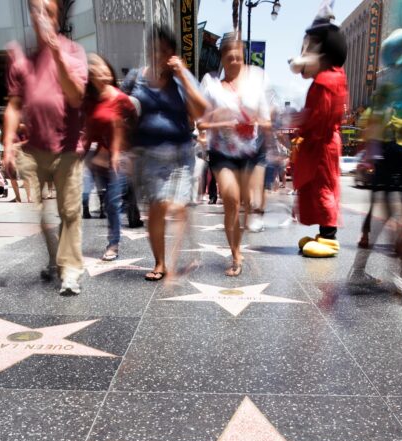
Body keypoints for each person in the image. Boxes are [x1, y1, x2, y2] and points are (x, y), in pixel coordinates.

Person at [2, 0, 87, 295]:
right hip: (35, 148)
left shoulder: (74, 52)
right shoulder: (20, 58)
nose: (42, 17)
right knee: (42, 214)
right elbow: (13, 105)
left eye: (47, 12)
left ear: (57, 16)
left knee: (70, 211)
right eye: (36, 11)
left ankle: (71, 270)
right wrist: (7, 145)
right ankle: (56, 259)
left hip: (67, 146)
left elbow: (76, 97)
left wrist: (57, 56)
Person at [122, 26, 207, 281]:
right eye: (154, 50)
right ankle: (160, 263)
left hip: (180, 153)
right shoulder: (136, 78)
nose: (158, 55)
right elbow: (119, 109)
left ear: (172, 53)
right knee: (158, 207)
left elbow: (201, 111)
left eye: (164, 50)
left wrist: (182, 73)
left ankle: (181, 252)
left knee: (177, 205)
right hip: (147, 153)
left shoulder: (182, 78)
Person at [200, 33, 273, 276]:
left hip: (251, 152)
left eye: (238, 58)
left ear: (244, 57)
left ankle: (246, 227)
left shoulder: (257, 81)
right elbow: (200, 124)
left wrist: (258, 122)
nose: (234, 62)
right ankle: (236, 255)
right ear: (222, 58)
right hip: (223, 153)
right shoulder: (211, 87)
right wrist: (221, 124)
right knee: (230, 200)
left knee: (246, 204)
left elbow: (266, 120)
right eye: (229, 57)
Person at [289, 3, 348, 259]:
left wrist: (301, 123)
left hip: (322, 143)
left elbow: (320, 118)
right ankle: (324, 233)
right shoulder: (330, 77)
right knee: (321, 187)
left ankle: (329, 238)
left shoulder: (327, 81)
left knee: (324, 187)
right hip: (321, 142)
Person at [83, 54, 133, 261]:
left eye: (104, 70)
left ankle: (113, 243)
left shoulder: (121, 99)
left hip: (118, 158)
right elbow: (88, 131)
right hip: (95, 159)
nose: (101, 75)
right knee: (87, 197)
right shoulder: (90, 101)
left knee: (112, 202)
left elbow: (131, 126)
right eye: (95, 72)